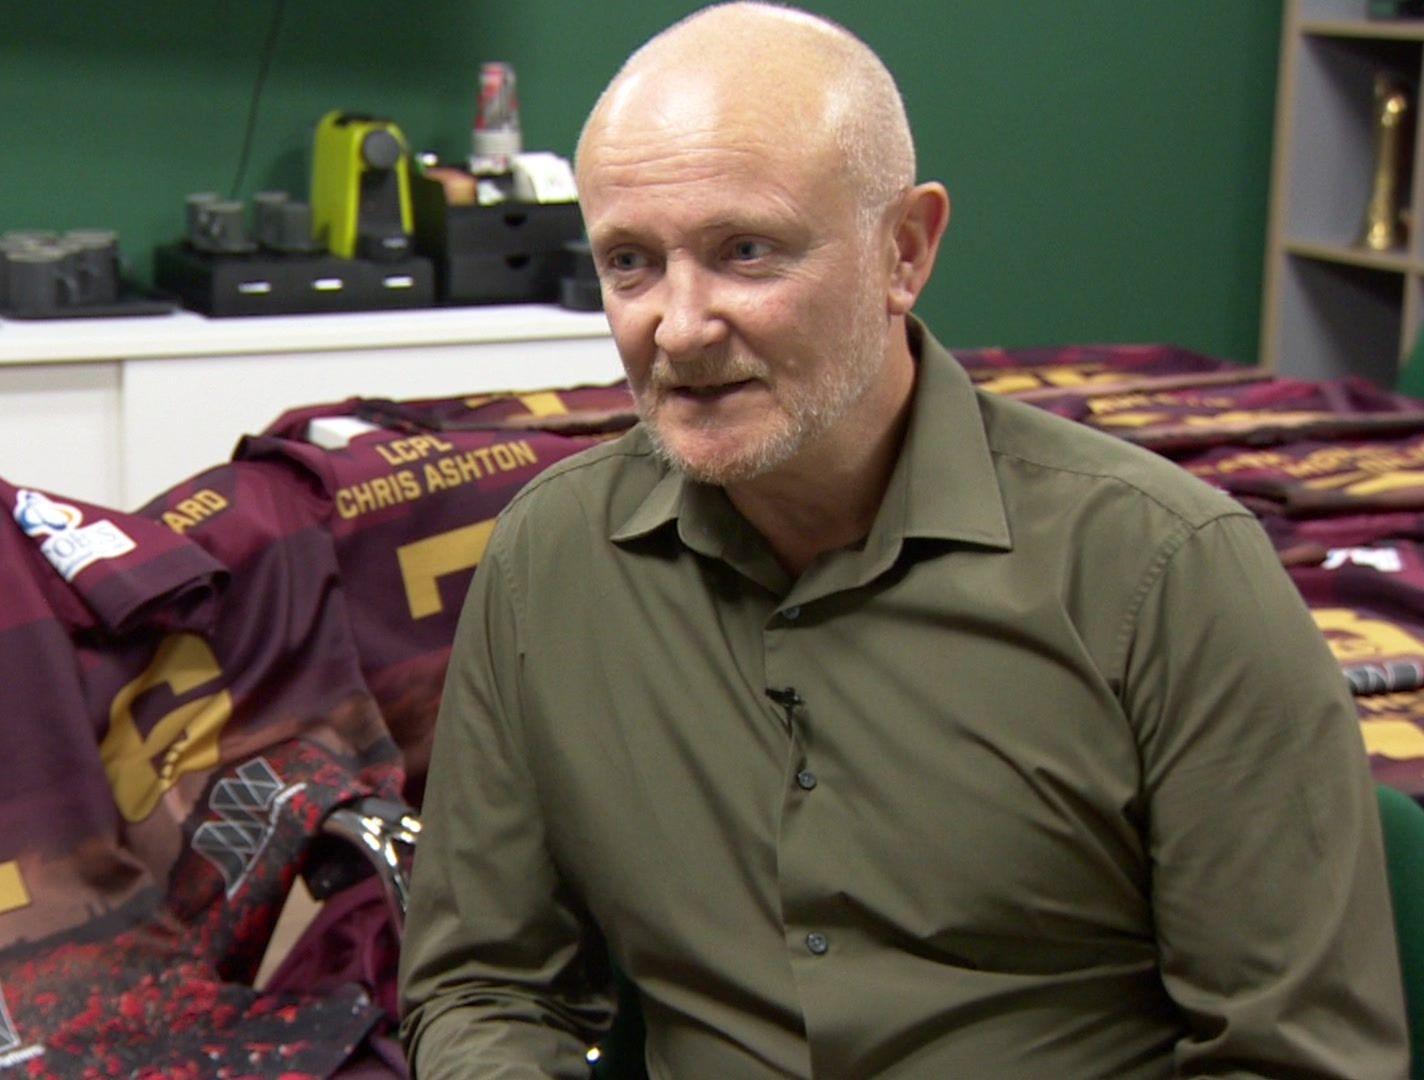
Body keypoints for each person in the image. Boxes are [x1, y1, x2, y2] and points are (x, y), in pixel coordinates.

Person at [397, 4, 1410, 1077]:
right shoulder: (552, 558)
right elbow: (484, 985)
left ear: (906, 250)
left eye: (746, 253)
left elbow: (1297, 1056)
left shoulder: (1165, 571)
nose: (679, 327)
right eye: (631, 265)